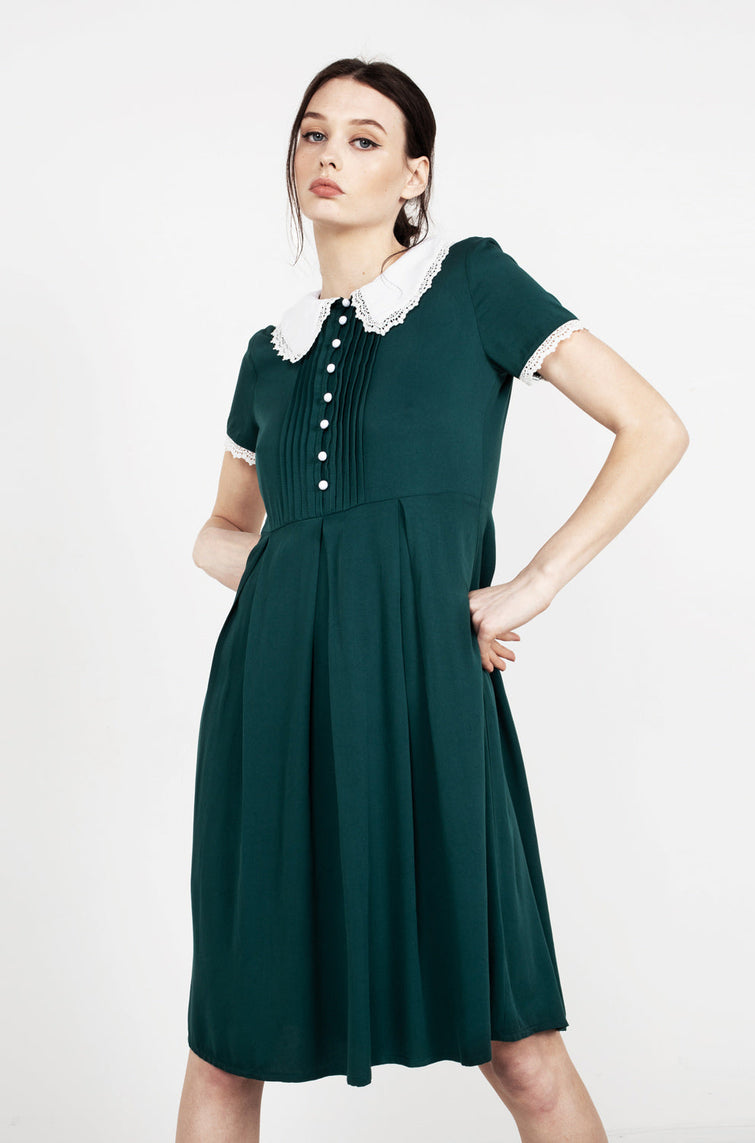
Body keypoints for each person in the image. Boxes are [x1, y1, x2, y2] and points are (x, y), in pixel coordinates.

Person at [175, 56, 689, 1143]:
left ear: (414, 173)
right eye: (314, 133)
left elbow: (651, 427)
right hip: (270, 701)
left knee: (518, 1043)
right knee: (226, 1044)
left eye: (365, 139)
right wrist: (292, 575)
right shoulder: (267, 356)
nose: (330, 155)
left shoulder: (470, 284)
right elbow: (220, 530)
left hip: (425, 694)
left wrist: (529, 586)